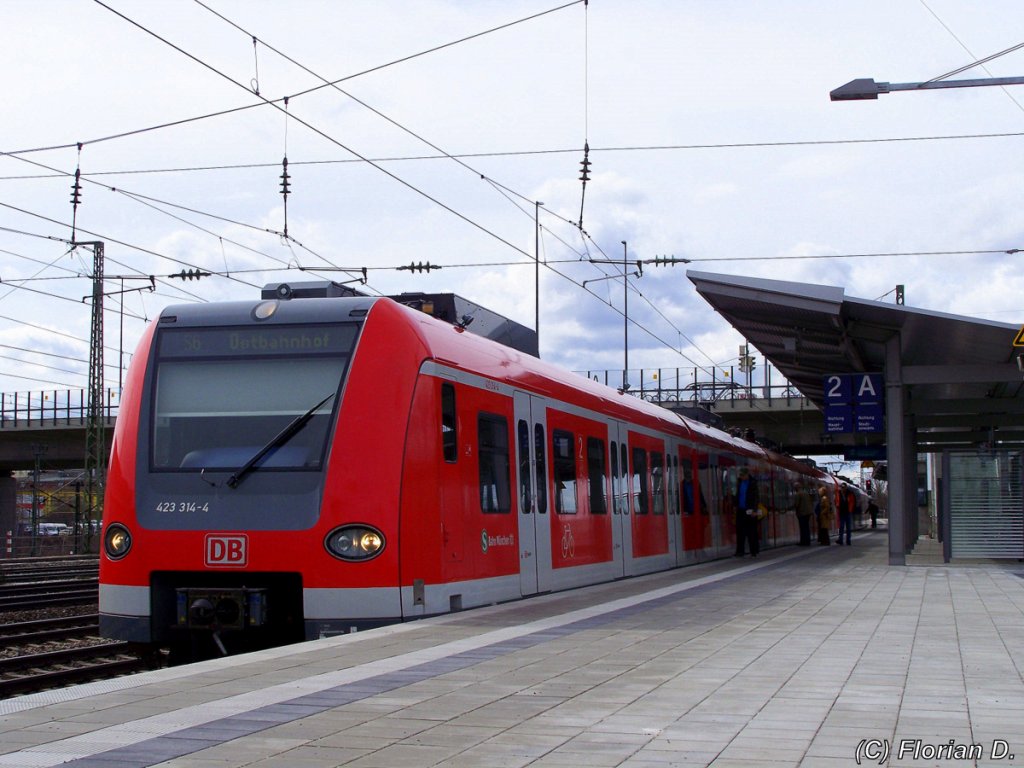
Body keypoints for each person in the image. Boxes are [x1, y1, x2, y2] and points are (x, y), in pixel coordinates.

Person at [733, 466, 761, 557]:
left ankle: (754, 551)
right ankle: (740, 551)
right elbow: (737, 494)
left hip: (750, 510)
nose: (741, 477)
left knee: (751, 532)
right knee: (740, 531)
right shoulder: (739, 482)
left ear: (747, 475)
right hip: (740, 510)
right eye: (740, 475)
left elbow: (756, 497)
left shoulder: (753, 483)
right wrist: (735, 505)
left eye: (743, 475)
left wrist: (754, 510)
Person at [793, 481, 815, 546]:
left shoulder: (798, 494)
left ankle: (803, 542)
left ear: (797, 487)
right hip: (808, 512)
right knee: (806, 527)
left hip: (802, 513)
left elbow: (796, 504)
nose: (794, 489)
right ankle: (807, 541)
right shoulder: (806, 493)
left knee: (802, 528)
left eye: (795, 487)